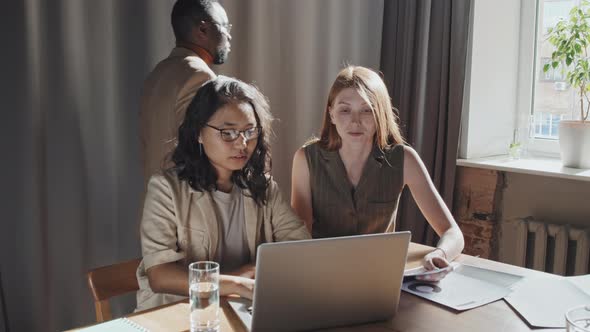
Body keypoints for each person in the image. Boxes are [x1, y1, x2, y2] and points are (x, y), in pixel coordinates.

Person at [136, 76, 310, 311]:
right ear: (198, 132)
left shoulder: (263, 187)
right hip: (179, 312)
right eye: (228, 133)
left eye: (250, 131)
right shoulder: (165, 189)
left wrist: (241, 274)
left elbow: (300, 247)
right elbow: (160, 275)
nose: (242, 143)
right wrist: (239, 283)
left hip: (239, 309)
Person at [290, 66, 464, 280]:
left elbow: (453, 233)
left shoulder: (405, 159)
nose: (355, 121)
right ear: (331, 114)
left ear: (380, 114)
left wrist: (440, 254)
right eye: (345, 110)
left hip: (379, 277)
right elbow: (298, 238)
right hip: (321, 275)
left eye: (367, 110)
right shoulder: (305, 159)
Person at [139, 0, 233, 188]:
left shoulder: (157, 74)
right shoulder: (199, 76)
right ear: (203, 30)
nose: (229, 36)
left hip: (155, 203)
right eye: (225, 27)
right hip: (185, 206)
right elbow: (200, 153)